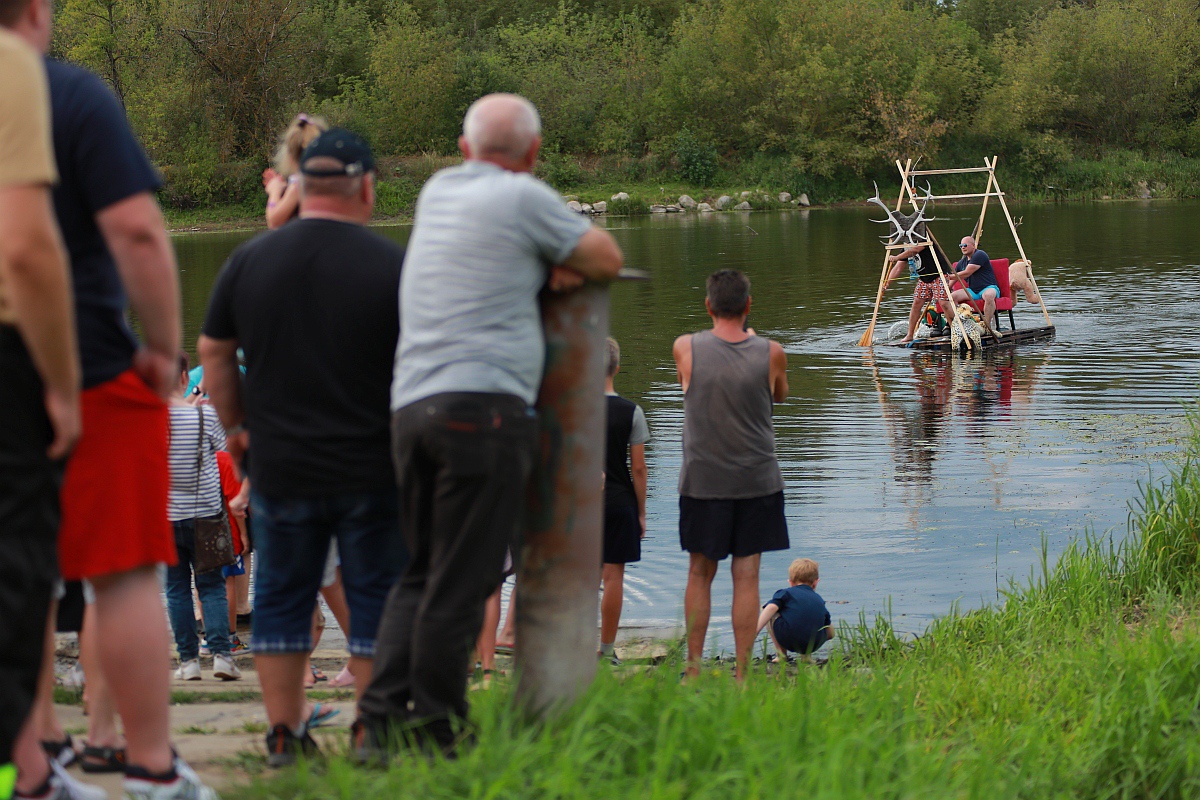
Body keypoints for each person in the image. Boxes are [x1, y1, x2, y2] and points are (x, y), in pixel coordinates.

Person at [355, 93, 623, 758]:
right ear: (532, 153)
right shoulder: (521, 195)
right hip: (483, 412)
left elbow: (484, 260)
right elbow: (606, 257)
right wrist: (554, 260)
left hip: (411, 408)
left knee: (420, 571)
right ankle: (440, 728)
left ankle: (378, 727)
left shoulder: (438, 191)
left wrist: (534, 260)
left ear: (463, 148)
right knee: (465, 577)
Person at [200, 129, 408, 767]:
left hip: (281, 465)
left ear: (302, 186)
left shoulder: (249, 261)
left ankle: (285, 737)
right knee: (373, 596)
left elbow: (213, 352)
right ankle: (372, 731)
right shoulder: (393, 265)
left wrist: (238, 433)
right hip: (372, 465)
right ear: (366, 188)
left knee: (283, 601)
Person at [0, 2, 80, 797]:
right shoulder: (13, 66)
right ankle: (24, 778)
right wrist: (61, 382)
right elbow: (24, 246)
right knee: (17, 576)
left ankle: (28, 771)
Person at [673, 269, 789, 681]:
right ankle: (741, 674)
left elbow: (688, 384)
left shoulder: (684, 348)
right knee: (747, 576)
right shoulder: (772, 352)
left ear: (708, 305)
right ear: (748, 305)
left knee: (699, 573)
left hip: (703, 481)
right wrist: (755, 342)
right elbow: (780, 394)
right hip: (757, 481)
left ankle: (692, 668)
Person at [165, 356, 240, 683]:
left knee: (176, 590)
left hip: (166, 517)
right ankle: (222, 656)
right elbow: (224, 449)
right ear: (184, 377)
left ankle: (189, 661)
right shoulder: (205, 415)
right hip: (207, 516)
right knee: (211, 587)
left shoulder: (148, 419)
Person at [600, 337, 649, 665]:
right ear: (617, 368)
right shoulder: (632, 411)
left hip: (579, 503)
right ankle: (606, 651)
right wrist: (641, 512)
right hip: (618, 503)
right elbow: (639, 468)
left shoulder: (571, 406)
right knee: (613, 576)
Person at [882, 231, 956, 344]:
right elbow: (898, 268)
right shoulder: (906, 248)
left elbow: (916, 249)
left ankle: (954, 330)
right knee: (917, 302)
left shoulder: (923, 237)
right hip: (924, 278)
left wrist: (896, 257)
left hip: (939, 275)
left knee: (944, 303)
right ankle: (910, 335)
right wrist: (887, 282)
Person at [755, 558, 834, 662]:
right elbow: (830, 631)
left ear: (790, 583)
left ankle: (781, 655)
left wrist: (755, 631)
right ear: (816, 582)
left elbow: (771, 608)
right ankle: (806, 657)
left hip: (790, 640)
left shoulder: (785, 593)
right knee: (812, 619)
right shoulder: (819, 599)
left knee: (767, 608)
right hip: (814, 644)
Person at [262, 114, 326, 229]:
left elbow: (274, 220)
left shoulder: (299, 184)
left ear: (290, 155)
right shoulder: (332, 181)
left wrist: (275, 191)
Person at [948, 236, 1000, 333]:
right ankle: (959, 325)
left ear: (973, 245)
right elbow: (953, 280)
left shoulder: (980, 254)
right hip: (973, 290)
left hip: (988, 287)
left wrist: (948, 276)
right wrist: (946, 289)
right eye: (961, 246)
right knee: (952, 297)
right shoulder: (961, 263)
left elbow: (967, 273)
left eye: (965, 245)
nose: (963, 247)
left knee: (989, 295)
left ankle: (987, 326)